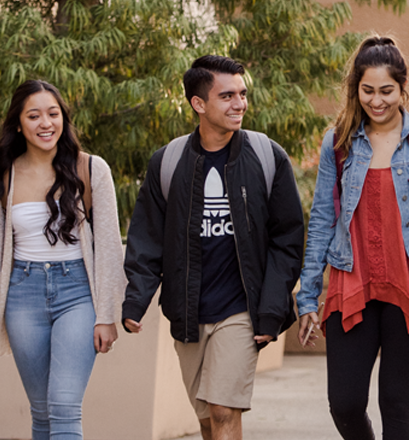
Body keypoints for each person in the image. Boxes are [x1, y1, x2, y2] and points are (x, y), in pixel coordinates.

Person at [121, 55, 304, 440]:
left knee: (223, 411)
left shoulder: (266, 156)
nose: (240, 103)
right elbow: (147, 238)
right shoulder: (168, 162)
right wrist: (136, 301)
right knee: (206, 420)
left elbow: (287, 240)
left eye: (242, 93)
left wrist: (271, 310)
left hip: (241, 310)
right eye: (227, 96)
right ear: (198, 104)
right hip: (188, 311)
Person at [296, 36, 409, 440]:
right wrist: (307, 297)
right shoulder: (338, 141)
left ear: (403, 89)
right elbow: (321, 219)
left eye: (386, 91)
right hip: (352, 283)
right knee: (346, 403)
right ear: (356, 88)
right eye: (367, 90)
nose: (377, 101)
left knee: (394, 400)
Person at [0, 80, 126, 440]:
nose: (45, 123)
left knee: (64, 406)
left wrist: (107, 314)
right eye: (34, 115)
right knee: (43, 412)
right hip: (22, 296)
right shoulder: (0, 177)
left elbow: (110, 248)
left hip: (78, 293)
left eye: (53, 113)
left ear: (64, 118)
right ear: (19, 124)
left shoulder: (92, 170)